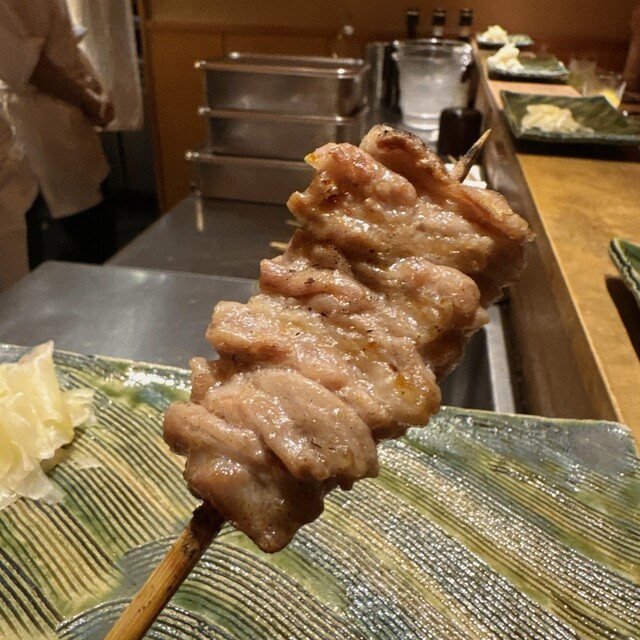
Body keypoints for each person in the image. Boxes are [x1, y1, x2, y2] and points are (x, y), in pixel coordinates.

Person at [0, 0, 115, 282]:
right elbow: (30, 66)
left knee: (96, 222)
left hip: (67, 105)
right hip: (39, 115)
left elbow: (61, 40)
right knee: (81, 233)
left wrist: (94, 89)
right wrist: (88, 101)